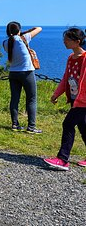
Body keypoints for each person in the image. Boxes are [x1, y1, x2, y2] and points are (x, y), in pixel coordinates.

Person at [44, 28, 86, 170]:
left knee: (67, 124)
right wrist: (57, 93)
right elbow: (66, 78)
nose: (64, 42)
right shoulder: (70, 58)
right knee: (83, 127)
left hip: (84, 101)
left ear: (77, 42)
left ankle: (63, 159)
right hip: (75, 98)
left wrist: (80, 100)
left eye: (67, 39)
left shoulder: (85, 58)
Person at [3, 21, 43, 133]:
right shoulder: (24, 38)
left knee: (14, 99)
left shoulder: (5, 43)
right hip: (26, 72)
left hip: (13, 73)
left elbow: (13, 39)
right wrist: (24, 32)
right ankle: (31, 126)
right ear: (19, 30)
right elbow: (39, 27)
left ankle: (15, 125)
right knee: (31, 99)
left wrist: (19, 33)